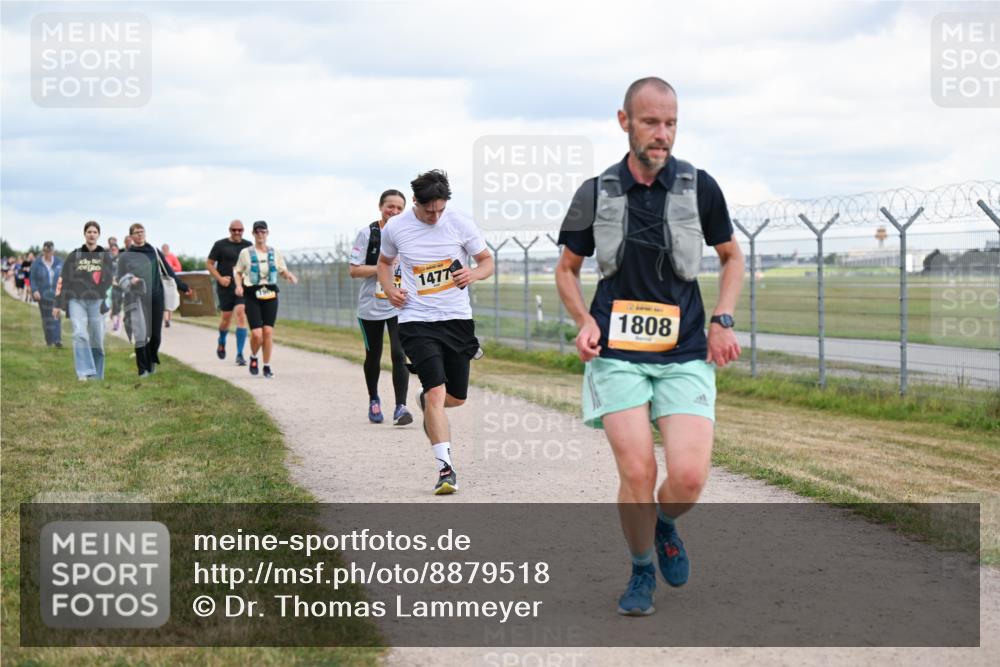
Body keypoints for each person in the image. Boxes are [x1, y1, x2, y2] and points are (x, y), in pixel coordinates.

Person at [554, 77, 744, 616]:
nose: (663, 134)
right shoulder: (593, 192)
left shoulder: (700, 187)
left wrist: (723, 320)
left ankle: (664, 525)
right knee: (637, 471)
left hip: (685, 351)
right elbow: (566, 271)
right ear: (624, 122)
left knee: (686, 477)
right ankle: (640, 570)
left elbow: (733, 257)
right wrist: (584, 319)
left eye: (671, 123)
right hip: (617, 353)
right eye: (651, 122)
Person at [378, 170, 494, 495]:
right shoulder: (397, 227)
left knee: (454, 398)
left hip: (457, 320)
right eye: (429, 210)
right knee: (436, 393)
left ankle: (427, 403)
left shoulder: (461, 222)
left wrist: (473, 274)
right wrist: (390, 290)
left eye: (440, 209)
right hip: (415, 320)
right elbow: (384, 263)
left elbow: (487, 261)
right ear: (415, 202)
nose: (435, 216)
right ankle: (446, 470)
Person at [349, 190, 413, 426]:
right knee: (373, 355)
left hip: (399, 305)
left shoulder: (407, 233)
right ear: (380, 207)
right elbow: (354, 270)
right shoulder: (367, 234)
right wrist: (382, 268)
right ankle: (374, 398)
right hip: (371, 306)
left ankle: (400, 406)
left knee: (399, 353)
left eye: (399, 208)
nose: (394, 212)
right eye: (390, 207)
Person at [117, 223, 192, 377]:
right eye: (136, 232)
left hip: (156, 297)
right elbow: (119, 277)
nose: (140, 234)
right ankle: (142, 369)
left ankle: (151, 359)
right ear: (131, 236)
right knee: (141, 334)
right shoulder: (125, 255)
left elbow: (168, 271)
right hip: (136, 298)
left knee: (156, 336)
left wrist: (183, 287)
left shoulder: (154, 251)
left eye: (142, 231)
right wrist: (130, 280)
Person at [233, 221, 297, 378]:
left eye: (263, 232)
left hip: (270, 294)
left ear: (267, 233)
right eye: (257, 232)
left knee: (268, 332)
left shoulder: (274, 252)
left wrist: (289, 276)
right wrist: (239, 286)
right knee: (256, 334)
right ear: (253, 234)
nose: (260, 234)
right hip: (252, 294)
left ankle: (266, 366)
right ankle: (254, 356)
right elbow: (238, 272)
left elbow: (282, 270)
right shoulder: (245, 253)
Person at [54, 222, 114, 380]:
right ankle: (84, 372)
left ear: (98, 235)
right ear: (84, 234)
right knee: (80, 334)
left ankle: (97, 376)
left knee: (97, 340)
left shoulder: (105, 256)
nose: (92, 234)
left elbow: (109, 280)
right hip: (76, 301)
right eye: (89, 232)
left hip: (97, 302)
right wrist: (57, 304)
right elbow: (63, 280)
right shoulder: (75, 255)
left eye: (95, 232)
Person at [207, 220, 252, 365]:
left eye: (240, 230)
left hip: (242, 287)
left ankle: (240, 354)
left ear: (243, 230)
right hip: (225, 286)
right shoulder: (220, 245)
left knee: (240, 314)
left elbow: (252, 265)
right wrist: (219, 278)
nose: (237, 232)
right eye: (234, 230)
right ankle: (221, 340)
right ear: (229, 230)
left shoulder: (248, 246)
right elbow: (209, 263)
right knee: (226, 318)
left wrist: (247, 277)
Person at [30, 241, 63, 348]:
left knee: (56, 316)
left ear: (53, 251)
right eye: (45, 251)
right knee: (46, 318)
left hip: (56, 294)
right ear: (43, 251)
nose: (48, 253)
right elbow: (32, 278)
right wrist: (35, 290)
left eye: (50, 251)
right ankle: (49, 340)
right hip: (42, 295)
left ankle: (57, 340)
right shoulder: (37, 263)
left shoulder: (59, 263)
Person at [161, 244, 182, 328]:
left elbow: (179, 268)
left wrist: (171, 267)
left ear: (168, 249)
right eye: (163, 249)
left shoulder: (172, 257)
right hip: (162, 281)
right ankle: (166, 320)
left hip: (172, 282)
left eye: (166, 248)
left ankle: (169, 319)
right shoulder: (160, 257)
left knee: (171, 301)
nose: (165, 250)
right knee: (164, 300)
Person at [106, 237, 124, 332]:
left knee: (118, 305)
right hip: (111, 285)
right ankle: (115, 323)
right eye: (112, 249)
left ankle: (117, 322)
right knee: (114, 303)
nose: (113, 251)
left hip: (120, 285)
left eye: (115, 249)